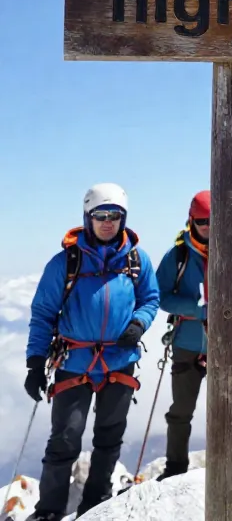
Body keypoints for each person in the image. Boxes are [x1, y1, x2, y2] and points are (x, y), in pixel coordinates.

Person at [24, 183, 160, 521]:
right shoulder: (66, 262)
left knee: (109, 437)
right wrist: (35, 363)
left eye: (115, 216)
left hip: (119, 360)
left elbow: (150, 299)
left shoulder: (136, 259)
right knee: (65, 439)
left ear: (124, 219)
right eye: (101, 215)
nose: (108, 222)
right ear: (88, 217)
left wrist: (139, 324)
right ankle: (50, 510)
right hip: (75, 360)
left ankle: (96, 505)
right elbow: (43, 314)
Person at [153, 190, 210, 481]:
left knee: (229, 407)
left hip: (225, 345)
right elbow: (159, 295)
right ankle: (176, 468)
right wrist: (197, 308)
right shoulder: (177, 255)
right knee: (181, 411)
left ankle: (230, 460)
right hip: (187, 342)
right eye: (202, 221)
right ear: (191, 221)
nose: (208, 226)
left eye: (214, 220)